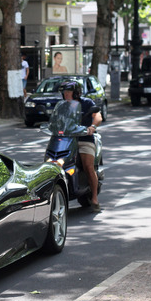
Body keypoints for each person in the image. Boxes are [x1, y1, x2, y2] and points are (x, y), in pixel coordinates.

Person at [60, 81, 102, 213]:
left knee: (88, 166)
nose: (66, 94)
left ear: (76, 93)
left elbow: (98, 116)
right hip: (66, 140)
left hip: (84, 139)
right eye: (64, 92)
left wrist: (92, 127)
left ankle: (94, 198)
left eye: (68, 92)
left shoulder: (87, 103)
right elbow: (56, 120)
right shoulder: (62, 106)